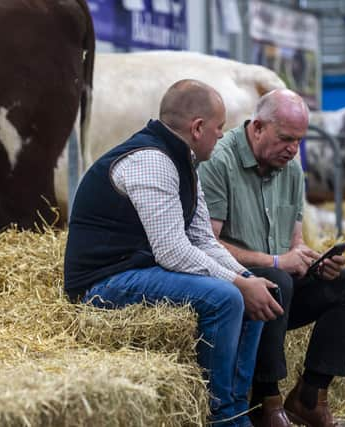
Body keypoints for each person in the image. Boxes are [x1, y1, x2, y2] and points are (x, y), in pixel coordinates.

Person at [64, 79, 284, 427]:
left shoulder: (183, 162)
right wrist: (238, 285)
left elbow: (202, 240)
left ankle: (238, 409)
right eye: (219, 128)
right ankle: (224, 418)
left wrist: (247, 278)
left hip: (139, 269)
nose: (223, 136)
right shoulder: (153, 161)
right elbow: (172, 252)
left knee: (255, 289)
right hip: (104, 282)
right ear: (197, 128)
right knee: (227, 298)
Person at [197, 88, 345, 427]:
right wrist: (277, 263)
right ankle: (267, 400)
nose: (294, 149)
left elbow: (295, 243)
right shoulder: (219, 162)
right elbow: (208, 244)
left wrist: (313, 261)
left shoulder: (291, 169)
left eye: (299, 141)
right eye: (286, 139)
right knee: (275, 281)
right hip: (235, 290)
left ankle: (310, 395)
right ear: (258, 127)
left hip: (280, 293)